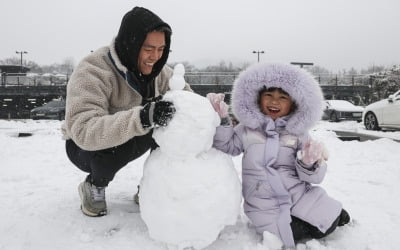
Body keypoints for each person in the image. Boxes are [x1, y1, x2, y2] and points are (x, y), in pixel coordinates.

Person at [61, 6, 192, 217]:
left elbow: (187, 101)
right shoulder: (93, 70)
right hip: (84, 147)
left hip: (132, 134)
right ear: (131, 44)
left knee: (172, 120)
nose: (155, 57)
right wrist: (143, 117)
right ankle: (94, 185)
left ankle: (153, 186)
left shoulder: (161, 73)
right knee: (119, 143)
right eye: (148, 48)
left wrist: (213, 112)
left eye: (161, 49)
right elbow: (83, 130)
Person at [207, 63, 350, 249]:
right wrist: (222, 121)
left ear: (294, 104)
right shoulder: (246, 130)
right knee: (282, 232)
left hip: (298, 195)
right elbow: (226, 145)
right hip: (262, 202)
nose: (274, 102)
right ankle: (322, 219)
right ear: (257, 98)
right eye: (269, 95)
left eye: (283, 97)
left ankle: (335, 214)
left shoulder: (298, 133)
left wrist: (308, 163)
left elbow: (315, 177)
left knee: (325, 218)